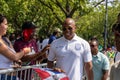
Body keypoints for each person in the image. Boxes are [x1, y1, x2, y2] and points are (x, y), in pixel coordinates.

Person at [0, 14, 31, 80]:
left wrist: (17, 62)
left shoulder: (5, 39)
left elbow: (15, 57)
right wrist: (24, 51)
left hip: (12, 76)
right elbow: (14, 56)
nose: (7, 26)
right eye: (5, 24)